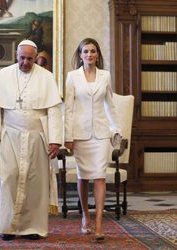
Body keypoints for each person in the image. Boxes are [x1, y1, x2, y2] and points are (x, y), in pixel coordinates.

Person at [0, 39, 62, 241]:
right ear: (16, 56)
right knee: (8, 179)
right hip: (10, 136)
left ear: (36, 58)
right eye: (22, 58)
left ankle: (33, 227)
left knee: (36, 182)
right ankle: (7, 227)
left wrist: (55, 140)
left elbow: (53, 111)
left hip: (37, 137)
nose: (25, 62)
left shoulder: (46, 77)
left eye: (30, 59)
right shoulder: (3, 75)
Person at [64, 38, 121, 241]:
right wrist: (68, 136)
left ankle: (98, 223)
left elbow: (110, 105)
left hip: (100, 134)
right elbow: (68, 109)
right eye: (85, 51)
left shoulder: (105, 76)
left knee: (99, 176)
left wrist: (116, 129)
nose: (89, 54)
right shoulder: (72, 77)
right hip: (80, 135)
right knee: (83, 177)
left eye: (93, 51)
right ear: (80, 55)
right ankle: (85, 216)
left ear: (98, 55)